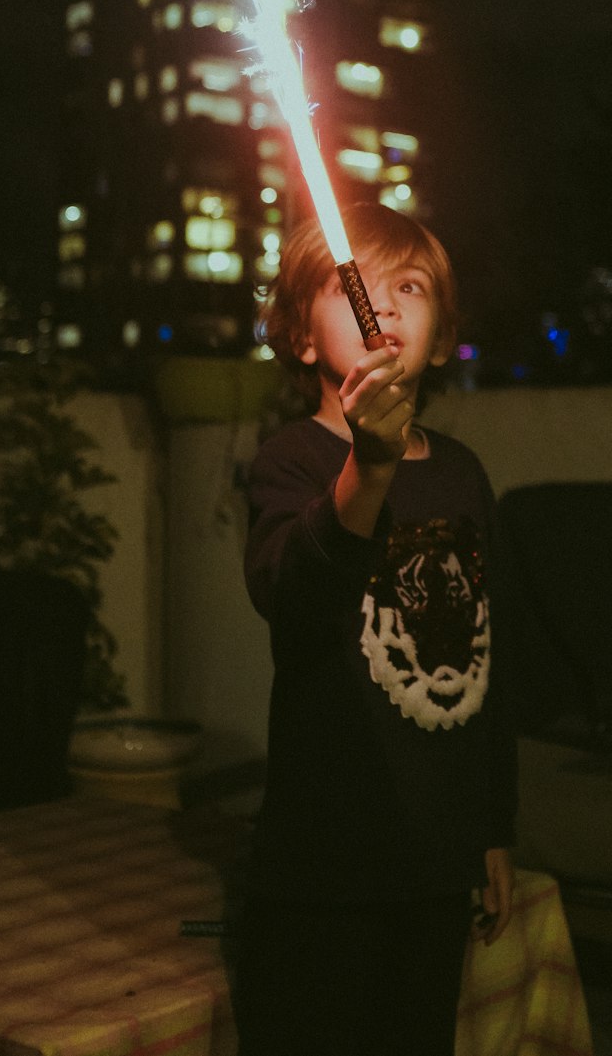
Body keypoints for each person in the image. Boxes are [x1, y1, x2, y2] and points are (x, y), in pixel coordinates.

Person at [236, 202, 518, 1056]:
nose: (384, 304)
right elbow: (294, 600)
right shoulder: (294, 460)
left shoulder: (465, 475)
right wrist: (370, 465)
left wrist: (495, 825)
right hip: (324, 860)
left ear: (440, 336)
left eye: (411, 285)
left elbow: (487, 659)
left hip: (435, 863)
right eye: (351, 283)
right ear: (302, 335)